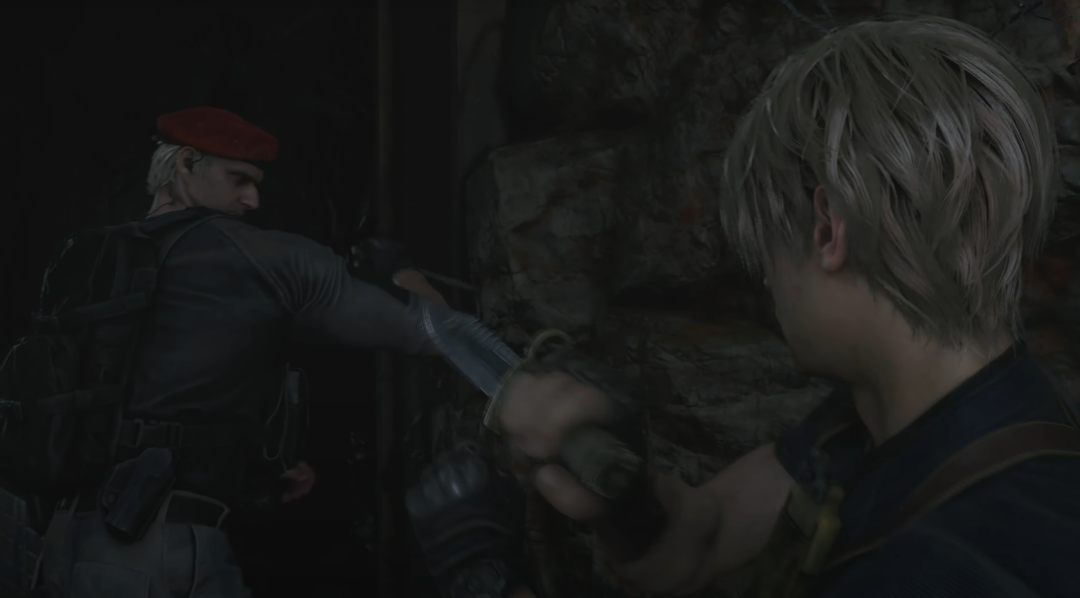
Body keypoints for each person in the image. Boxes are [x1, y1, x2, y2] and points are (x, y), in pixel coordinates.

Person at [405, 15, 1080, 598]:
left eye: (766, 253)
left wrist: (486, 581)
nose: (767, 284)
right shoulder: (893, 414)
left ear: (828, 230)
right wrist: (628, 498)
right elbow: (701, 539)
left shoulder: (961, 563)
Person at [14, 106, 447, 598]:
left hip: (61, 546)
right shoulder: (258, 256)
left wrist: (249, 467)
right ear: (185, 164)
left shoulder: (85, 255)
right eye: (239, 178)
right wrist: (397, 268)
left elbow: (120, 399)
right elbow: (437, 331)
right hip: (154, 548)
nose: (253, 199)